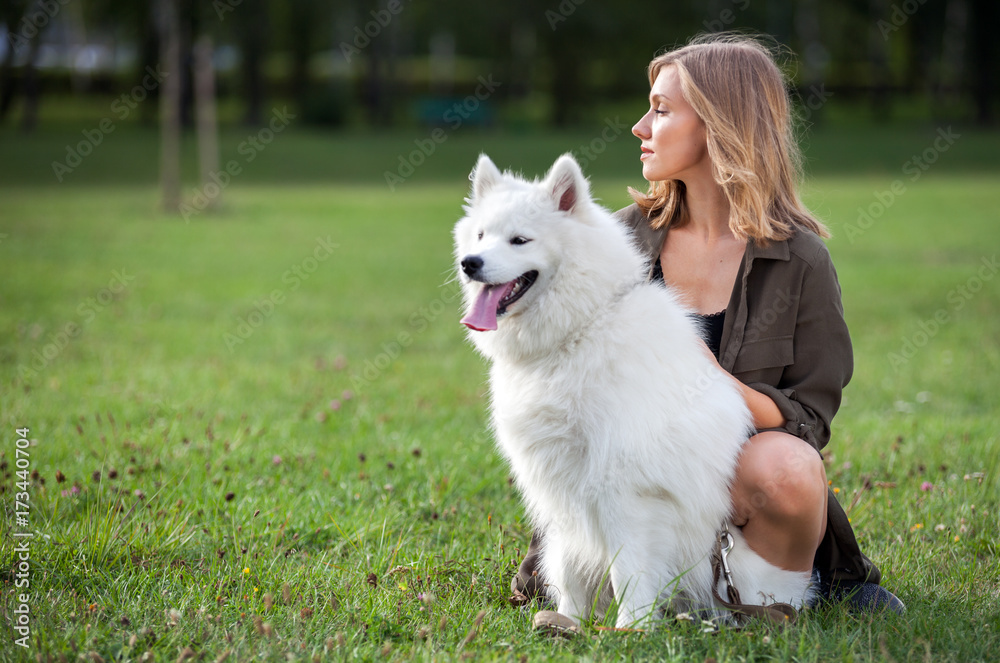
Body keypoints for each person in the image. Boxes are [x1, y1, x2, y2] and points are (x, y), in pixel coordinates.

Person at [512, 33, 904, 621]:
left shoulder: (801, 262)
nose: (640, 127)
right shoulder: (609, 243)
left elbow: (808, 420)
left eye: (661, 110)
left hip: (735, 493)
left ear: (721, 124)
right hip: (622, 493)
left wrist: (709, 375)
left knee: (789, 465)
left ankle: (760, 602)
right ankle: (608, 595)